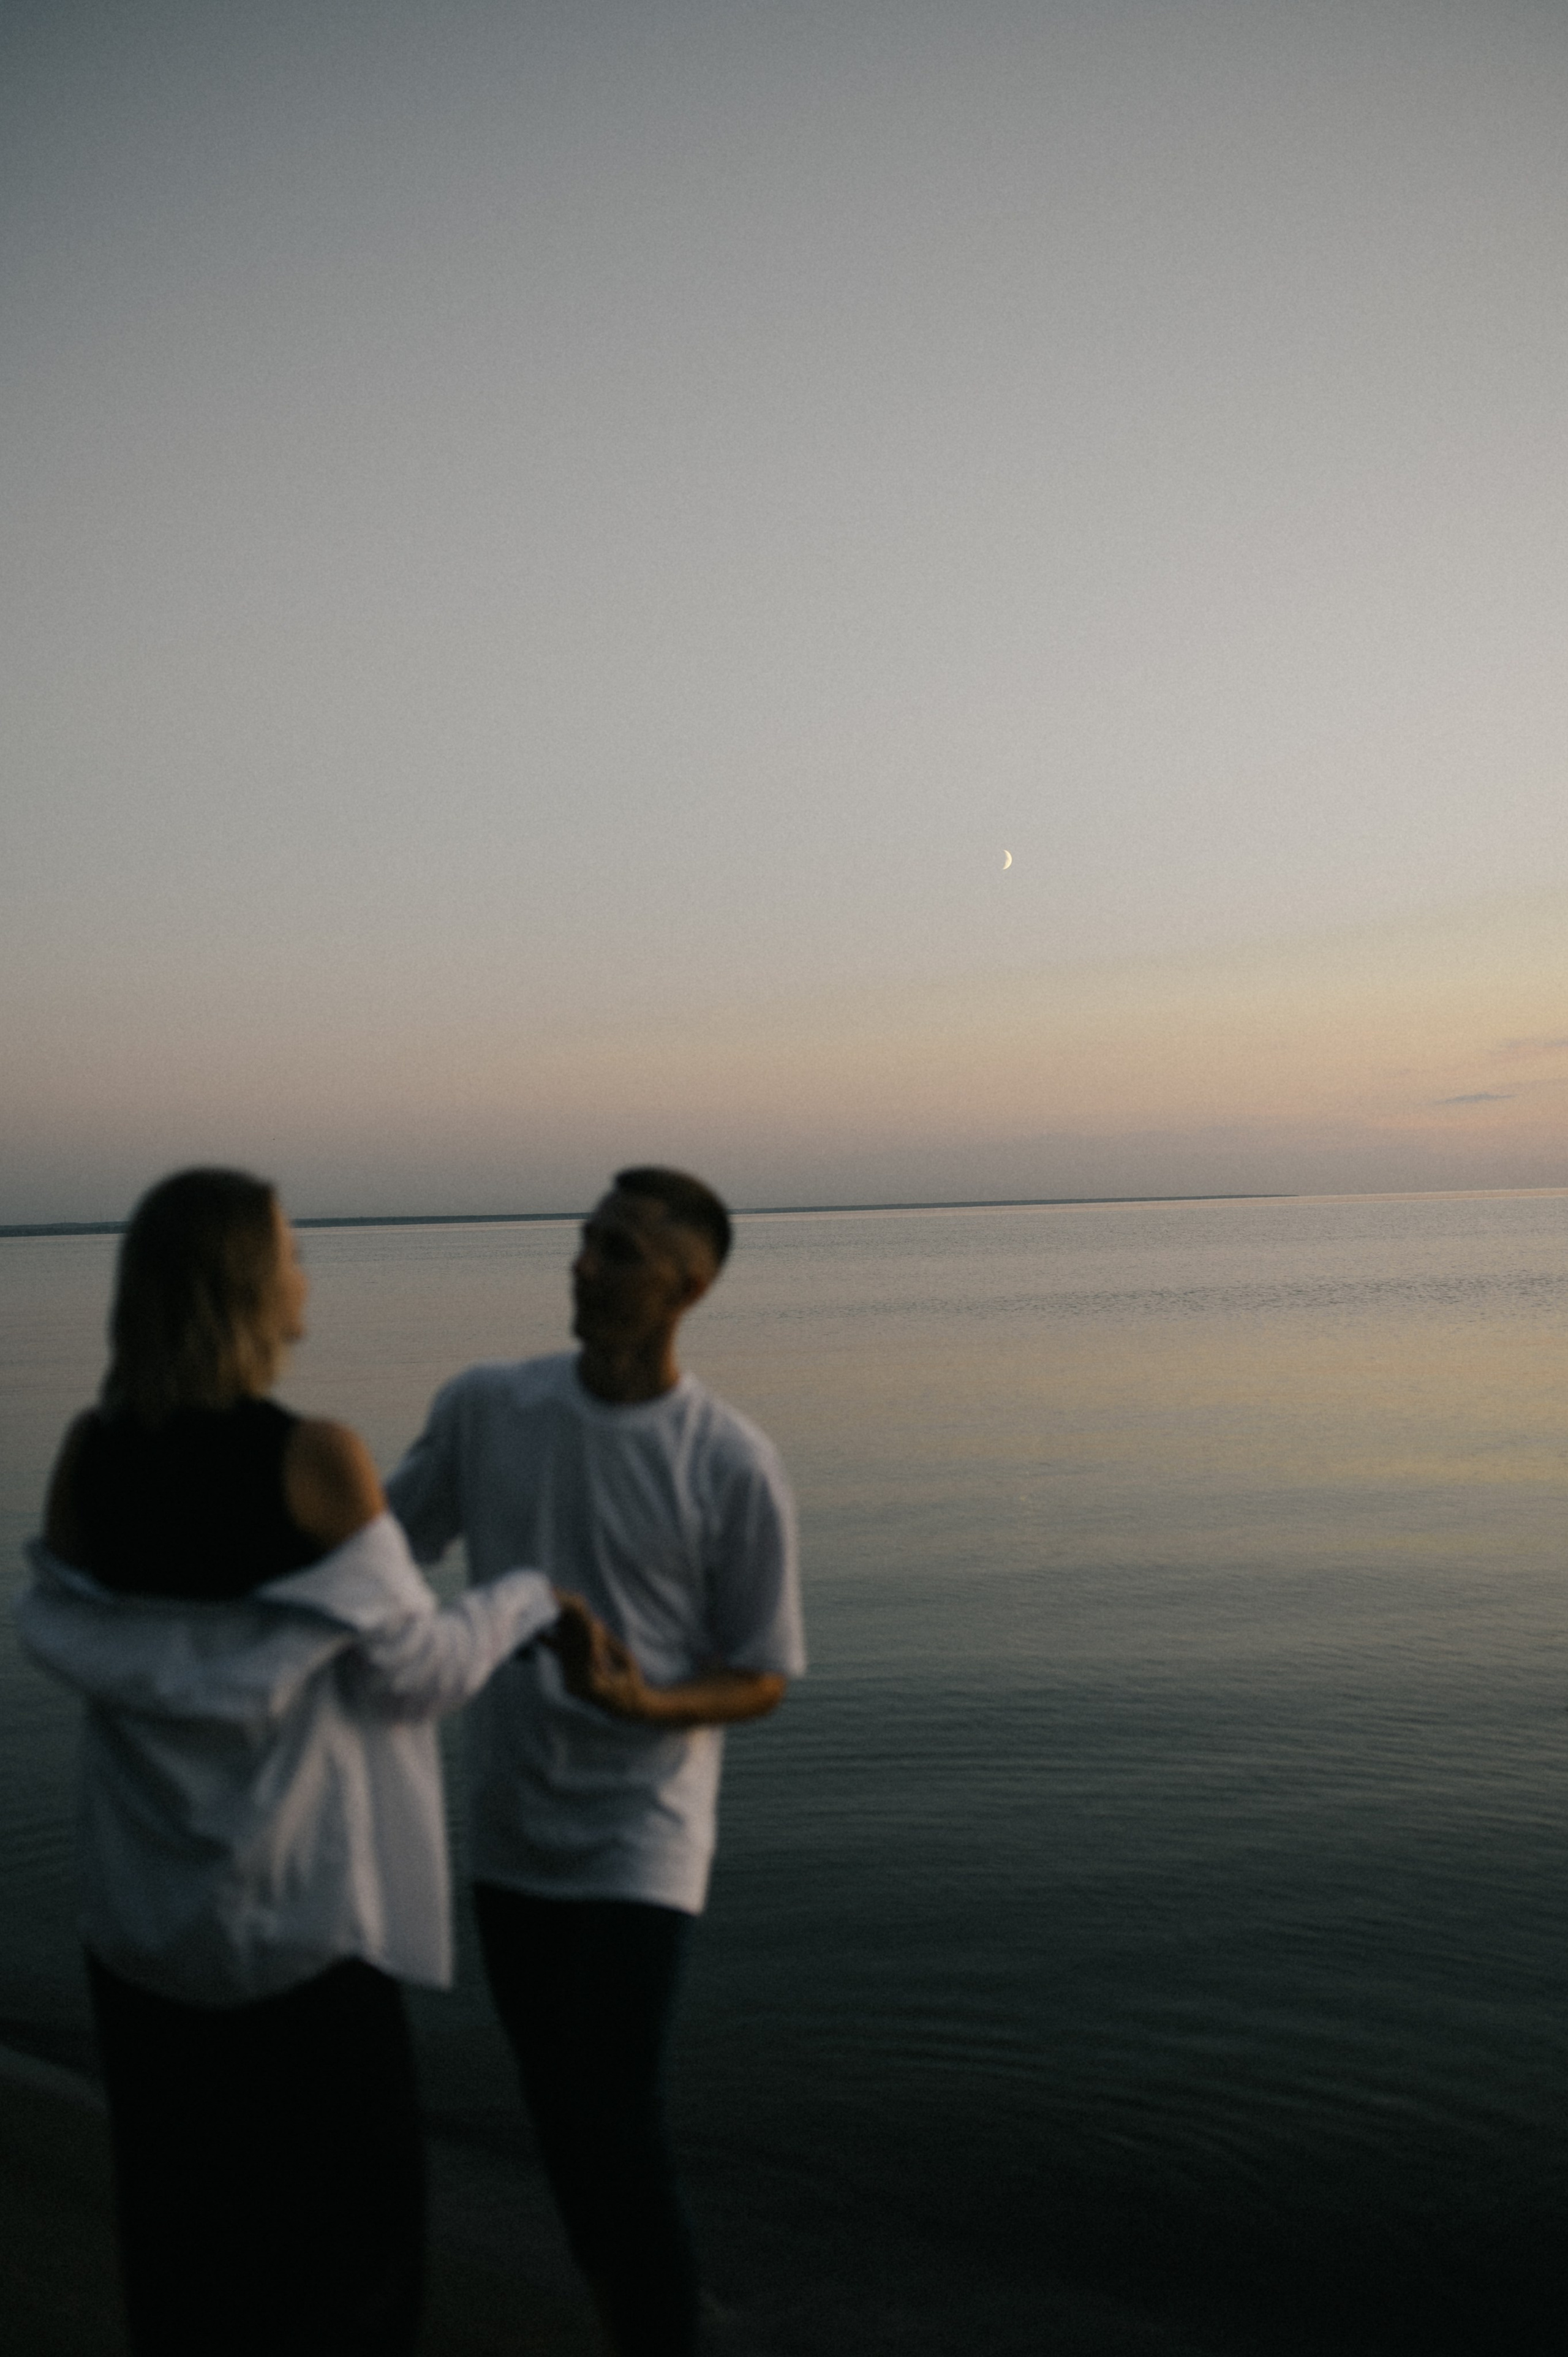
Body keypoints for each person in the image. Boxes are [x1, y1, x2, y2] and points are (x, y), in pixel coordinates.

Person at [17, 1167, 567, 2357]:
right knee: (348, 2258)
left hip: (139, 1930)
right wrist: (525, 1595)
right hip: (300, 1933)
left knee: (182, 2241)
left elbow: (89, 1637)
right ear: (243, 1282)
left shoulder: (87, 1457)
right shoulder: (314, 1458)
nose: (304, 1270)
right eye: (292, 1250)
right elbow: (413, 1671)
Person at [386, 1165, 806, 2357]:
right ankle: (636, 2312)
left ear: (687, 1285)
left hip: (643, 1838)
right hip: (509, 1825)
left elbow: (763, 1672)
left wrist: (640, 1695)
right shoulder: (484, 1406)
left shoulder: (730, 1461)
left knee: (613, 2118)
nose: (580, 1264)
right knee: (561, 2120)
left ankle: (659, 2331)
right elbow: (381, 1552)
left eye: (616, 1250)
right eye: (583, 1240)